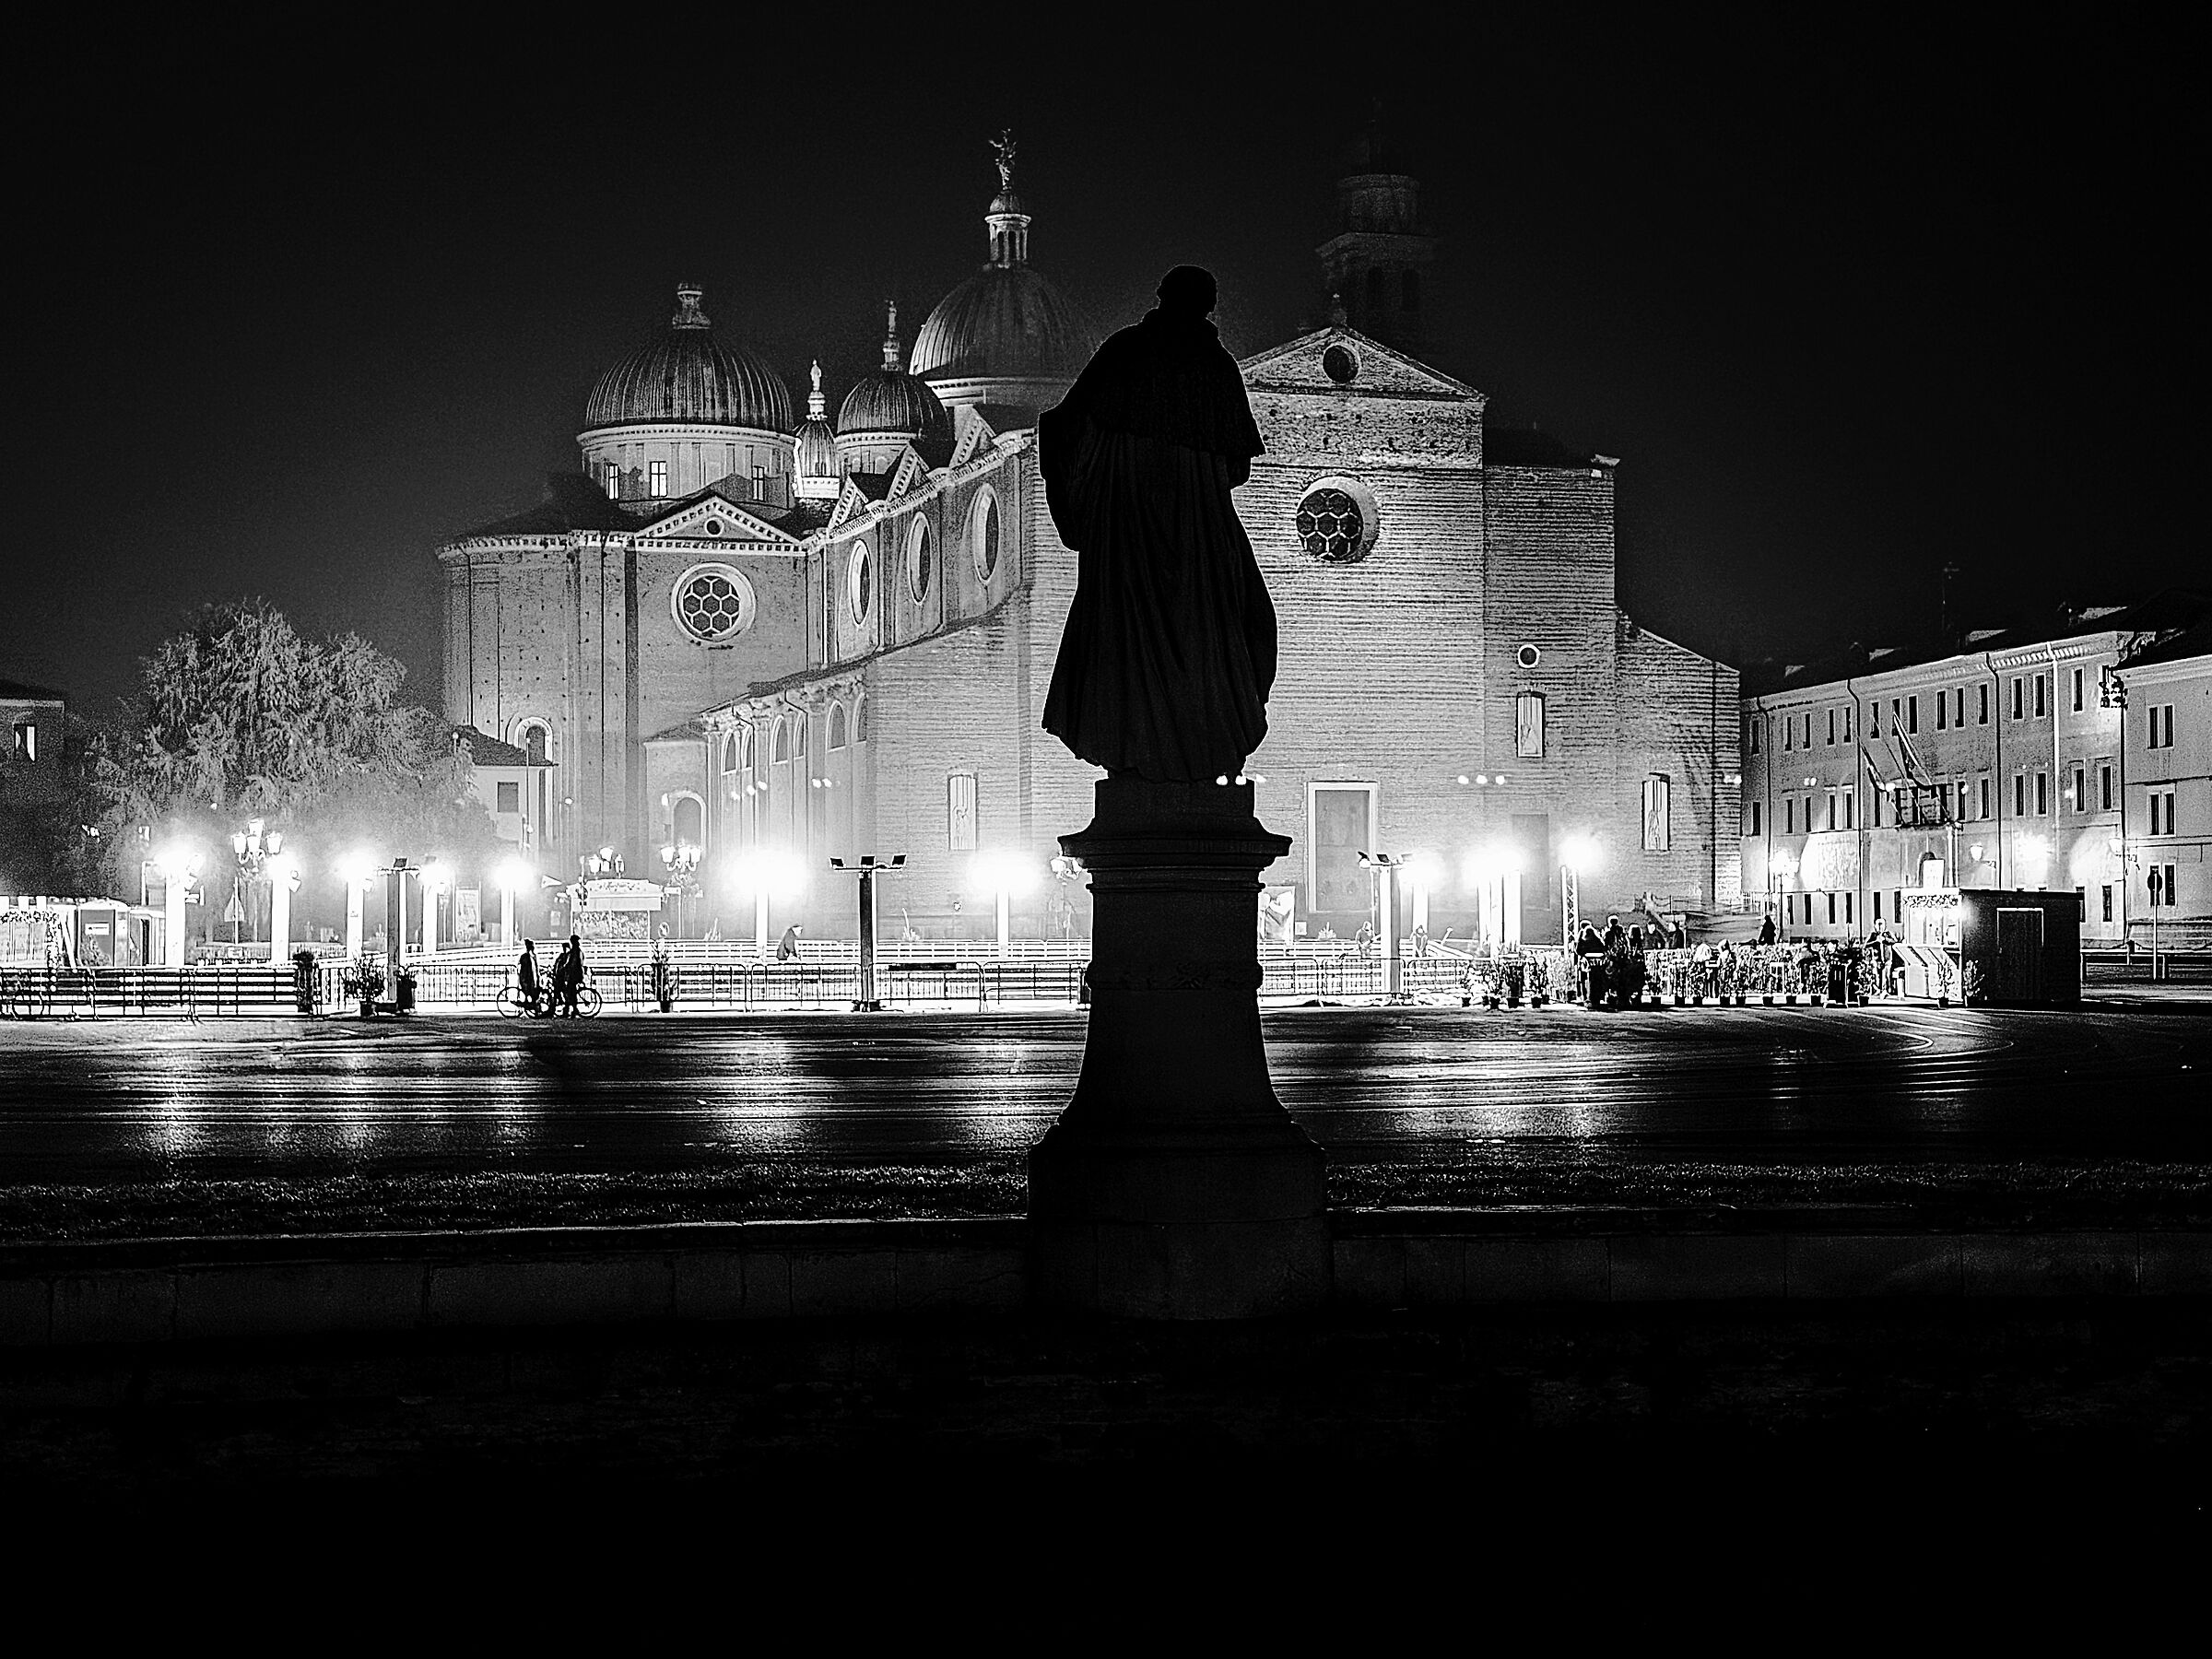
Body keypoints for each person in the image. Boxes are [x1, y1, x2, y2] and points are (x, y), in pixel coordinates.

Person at [1039, 265, 1274, 781]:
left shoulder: (1125, 351)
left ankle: (1134, 749)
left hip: (1127, 535)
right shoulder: (1216, 365)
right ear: (1207, 308)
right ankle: (1206, 743)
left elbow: (1066, 427)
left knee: (1126, 633)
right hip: (1198, 538)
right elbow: (1237, 466)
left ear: (1163, 297)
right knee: (1231, 621)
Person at [553, 933, 585, 1017]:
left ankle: (572, 1009)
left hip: (574, 975)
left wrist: (564, 968)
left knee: (570, 991)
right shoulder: (578, 951)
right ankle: (569, 1009)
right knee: (570, 991)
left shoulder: (575, 952)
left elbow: (572, 964)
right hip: (576, 974)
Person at [516, 937, 541, 1015]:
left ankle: (533, 1007)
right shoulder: (530, 956)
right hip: (529, 978)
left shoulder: (527, 956)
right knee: (531, 993)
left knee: (531, 993)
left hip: (529, 978)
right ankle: (534, 1008)